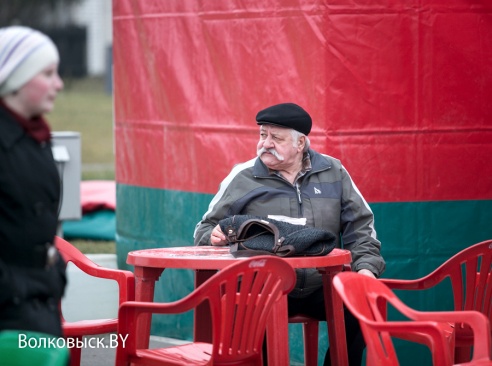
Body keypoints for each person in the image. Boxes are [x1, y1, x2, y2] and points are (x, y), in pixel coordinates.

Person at [194, 102, 386, 365]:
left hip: (323, 286)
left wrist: (365, 271)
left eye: (276, 137)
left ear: (301, 143)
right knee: (245, 313)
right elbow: (204, 230)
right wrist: (212, 236)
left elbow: (362, 229)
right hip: (262, 288)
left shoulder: (334, 172)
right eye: (263, 135)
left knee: (363, 304)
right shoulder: (243, 177)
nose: (265, 143)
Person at [0, 26, 67, 337]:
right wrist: (14, 287)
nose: (59, 84)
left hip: (39, 304)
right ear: (14, 81)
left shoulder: (36, 139)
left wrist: (55, 274)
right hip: (10, 314)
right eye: (48, 74)